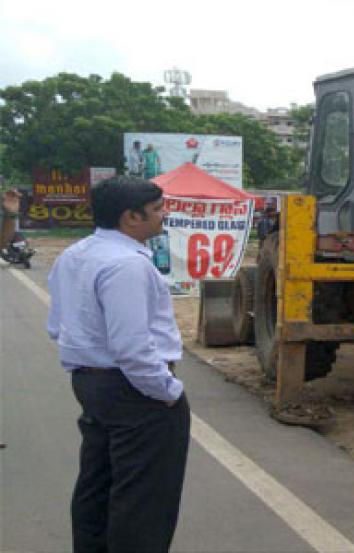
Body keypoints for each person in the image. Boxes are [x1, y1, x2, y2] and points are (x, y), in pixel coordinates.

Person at [47, 175, 189, 552]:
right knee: (144, 500)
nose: (164, 215)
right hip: (134, 391)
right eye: (158, 209)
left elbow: (56, 325)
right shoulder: (127, 265)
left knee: (97, 484)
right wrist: (167, 391)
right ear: (131, 217)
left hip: (92, 384)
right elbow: (132, 349)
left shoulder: (75, 254)